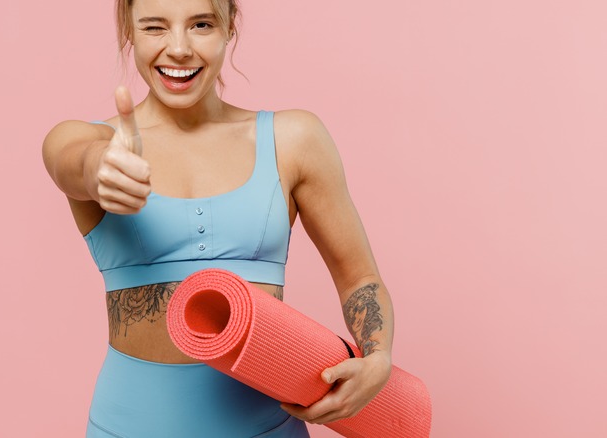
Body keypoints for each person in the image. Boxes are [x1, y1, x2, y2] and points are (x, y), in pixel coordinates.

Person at [42, 0, 394, 436]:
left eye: (201, 24)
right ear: (129, 33)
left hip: (268, 427)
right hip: (126, 426)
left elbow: (359, 277)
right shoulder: (92, 140)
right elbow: (69, 160)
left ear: (230, 28)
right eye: (155, 28)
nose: (179, 48)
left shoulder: (293, 140)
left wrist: (377, 359)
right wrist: (101, 169)